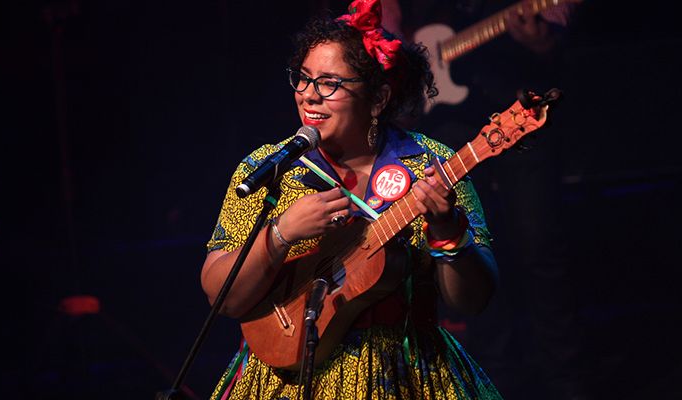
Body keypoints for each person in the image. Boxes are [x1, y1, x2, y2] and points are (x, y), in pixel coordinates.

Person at [200, 0, 504, 398]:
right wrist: (280, 233)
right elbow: (221, 296)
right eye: (303, 79)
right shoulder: (269, 168)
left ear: (377, 99)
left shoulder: (432, 165)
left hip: (405, 374)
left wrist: (448, 231)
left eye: (329, 83)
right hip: (285, 377)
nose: (309, 96)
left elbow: (473, 301)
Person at [381, 1, 591, 399]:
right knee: (469, 250)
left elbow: (560, 32)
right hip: (448, 122)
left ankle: (566, 383)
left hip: (519, 112)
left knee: (540, 249)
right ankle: (493, 381)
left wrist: (546, 42)